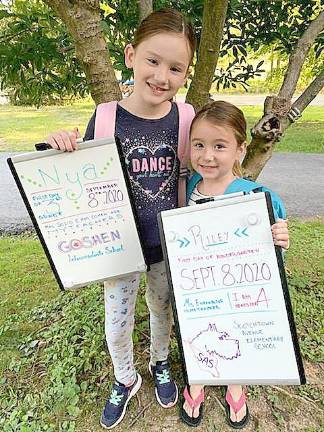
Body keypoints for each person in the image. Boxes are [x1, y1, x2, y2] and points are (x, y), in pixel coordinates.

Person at [46, 8, 196, 430]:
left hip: (167, 247)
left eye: (175, 68)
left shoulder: (185, 119)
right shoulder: (108, 116)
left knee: (161, 312)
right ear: (130, 55)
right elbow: (83, 178)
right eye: (153, 60)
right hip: (119, 251)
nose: (162, 76)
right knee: (117, 325)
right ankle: (125, 377)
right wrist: (63, 146)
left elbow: (212, 172)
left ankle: (160, 363)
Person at [180, 100, 290, 428]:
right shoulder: (186, 190)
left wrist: (279, 239)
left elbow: (271, 256)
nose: (207, 155)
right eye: (198, 145)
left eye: (219, 146)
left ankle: (235, 382)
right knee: (202, 333)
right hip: (199, 292)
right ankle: (197, 380)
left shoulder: (256, 197)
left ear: (241, 149)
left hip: (241, 293)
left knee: (235, 335)